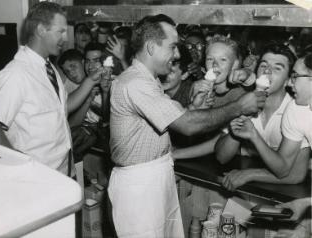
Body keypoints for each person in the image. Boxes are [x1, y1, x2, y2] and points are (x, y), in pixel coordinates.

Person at [108, 14, 266, 237]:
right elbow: (187, 126)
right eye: (172, 47)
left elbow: (168, 119)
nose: (177, 54)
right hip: (141, 185)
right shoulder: (135, 83)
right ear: (152, 47)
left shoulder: (149, 80)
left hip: (156, 175)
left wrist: (192, 107)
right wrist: (239, 106)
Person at [0, 2, 103, 176]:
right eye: (60, 31)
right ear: (41, 29)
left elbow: (64, 106)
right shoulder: (15, 74)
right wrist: (23, 167)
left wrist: (91, 81)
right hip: (37, 177)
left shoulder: (48, 68)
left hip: (63, 169)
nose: (65, 38)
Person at [216, 44, 310, 191]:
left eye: (277, 68)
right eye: (263, 66)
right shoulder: (245, 102)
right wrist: (240, 123)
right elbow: (221, 157)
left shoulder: (296, 109)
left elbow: (296, 175)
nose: (267, 71)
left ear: (288, 80)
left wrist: (249, 174)